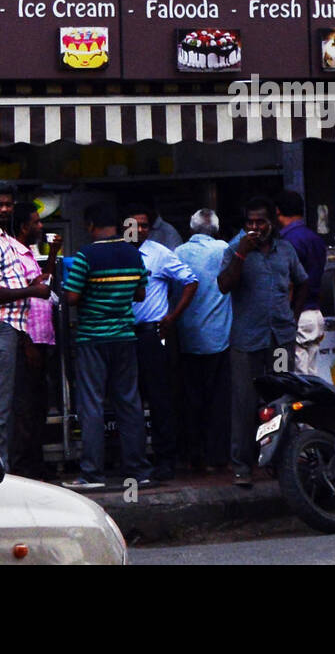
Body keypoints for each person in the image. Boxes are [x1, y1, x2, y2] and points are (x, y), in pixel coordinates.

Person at [218, 196, 308, 487]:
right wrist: (241, 255)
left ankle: (282, 461)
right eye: (249, 223)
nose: (255, 227)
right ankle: (242, 466)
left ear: (272, 222)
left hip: (280, 339)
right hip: (247, 341)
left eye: (260, 222)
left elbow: (303, 281)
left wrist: (292, 318)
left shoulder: (286, 249)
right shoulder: (235, 248)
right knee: (244, 403)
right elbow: (223, 285)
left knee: (282, 401)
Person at [62, 201, 152, 489]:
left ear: (90, 226)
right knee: (129, 403)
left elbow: (72, 297)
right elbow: (139, 294)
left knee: (92, 405)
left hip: (92, 338)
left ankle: (92, 474)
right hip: (125, 336)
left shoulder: (85, 256)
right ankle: (139, 471)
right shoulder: (133, 254)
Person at [0, 181, 51, 467]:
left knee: (8, 403)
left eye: (8, 204)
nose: (4, 209)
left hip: (11, 327)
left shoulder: (3, 237)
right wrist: (32, 291)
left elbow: (15, 284)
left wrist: (33, 284)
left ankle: (3, 466)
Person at [125, 203, 198, 482]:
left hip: (152, 334)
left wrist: (173, 316)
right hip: (122, 335)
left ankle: (165, 459)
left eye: (144, 225)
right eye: (135, 224)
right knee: (128, 399)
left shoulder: (159, 254)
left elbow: (190, 281)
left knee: (160, 398)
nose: (140, 230)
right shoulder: (116, 252)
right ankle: (132, 460)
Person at [174, 209, 233, 473]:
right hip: (220, 337)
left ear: (191, 228)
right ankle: (217, 456)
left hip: (187, 337)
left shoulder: (178, 253)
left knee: (190, 399)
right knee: (219, 400)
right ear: (217, 230)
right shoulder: (225, 249)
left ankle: (192, 454)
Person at [11, 202, 55, 479]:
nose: (41, 226)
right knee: (25, 406)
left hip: (42, 338)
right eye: (36, 222)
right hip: (29, 339)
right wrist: (26, 342)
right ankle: (23, 467)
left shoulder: (27, 253)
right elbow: (17, 298)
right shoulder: (14, 254)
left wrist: (53, 255)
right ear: (24, 226)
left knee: (38, 405)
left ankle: (36, 463)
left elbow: (42, 283)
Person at [275, 191, 329, 375]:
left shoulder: (287, 242)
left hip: (298, 315)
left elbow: (290, 282)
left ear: (278, 212)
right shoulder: (315, 239)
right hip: (315, 315)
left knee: (295, 378)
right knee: (312, 375)